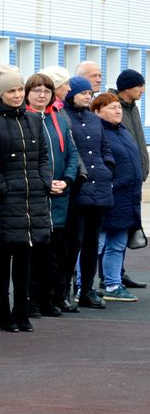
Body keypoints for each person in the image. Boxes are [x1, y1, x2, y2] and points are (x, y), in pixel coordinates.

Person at [0, 67, 52, 332]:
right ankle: (4, 313)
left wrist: (44, 181)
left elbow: (43, 156)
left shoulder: (33, 119)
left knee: (25, 260)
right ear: (1, 94)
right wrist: (4, 187)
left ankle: (22, 311)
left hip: (32, 199)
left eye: (20, 89)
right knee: (3, 259)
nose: (17, 95)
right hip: (6, 201)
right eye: (11, 91)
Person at [27, 73, 78, 318]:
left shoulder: (59, 119)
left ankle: (49, 298)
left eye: (46, 91)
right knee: (34, 254)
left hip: (59, 195)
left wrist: (66, 180)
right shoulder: (23, 120)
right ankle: (31, 299)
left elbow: (72, 155)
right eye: (36, 90)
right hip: (35, 196)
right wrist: (44, 184)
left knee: (54, 252)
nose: (42, 95)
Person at [61, 76, 112, 310]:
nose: (88, 97)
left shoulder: (93, 119)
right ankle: (63, 289)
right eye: (83, 93)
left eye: (90, 94)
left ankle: (87, 289)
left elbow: (105, 148)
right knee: (73, 243)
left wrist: (107, 168)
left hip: (99, 187)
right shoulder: (64, 116)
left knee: (92, 244)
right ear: (72, 94)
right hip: (78, 188)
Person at [95, 92, 144, 303]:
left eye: (118, 107)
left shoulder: (123, 131)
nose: (118, 110)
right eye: (111, 107)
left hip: (126, 199)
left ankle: (113, 285)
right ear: (97, 111)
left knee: (117, 245)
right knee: (96, 245)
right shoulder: (97, 132)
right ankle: (82, 286)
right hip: (106, 198)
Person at [113, 70, 148, 289]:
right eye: (139, 86)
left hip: (135, 178)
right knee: (114, 232)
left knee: (126, 229)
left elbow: (138, 141)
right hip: (121, 181)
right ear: (126, 88)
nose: (143, 90)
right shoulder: (114, 107)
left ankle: (119, 273)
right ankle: (111, 277)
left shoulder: (132, 108)